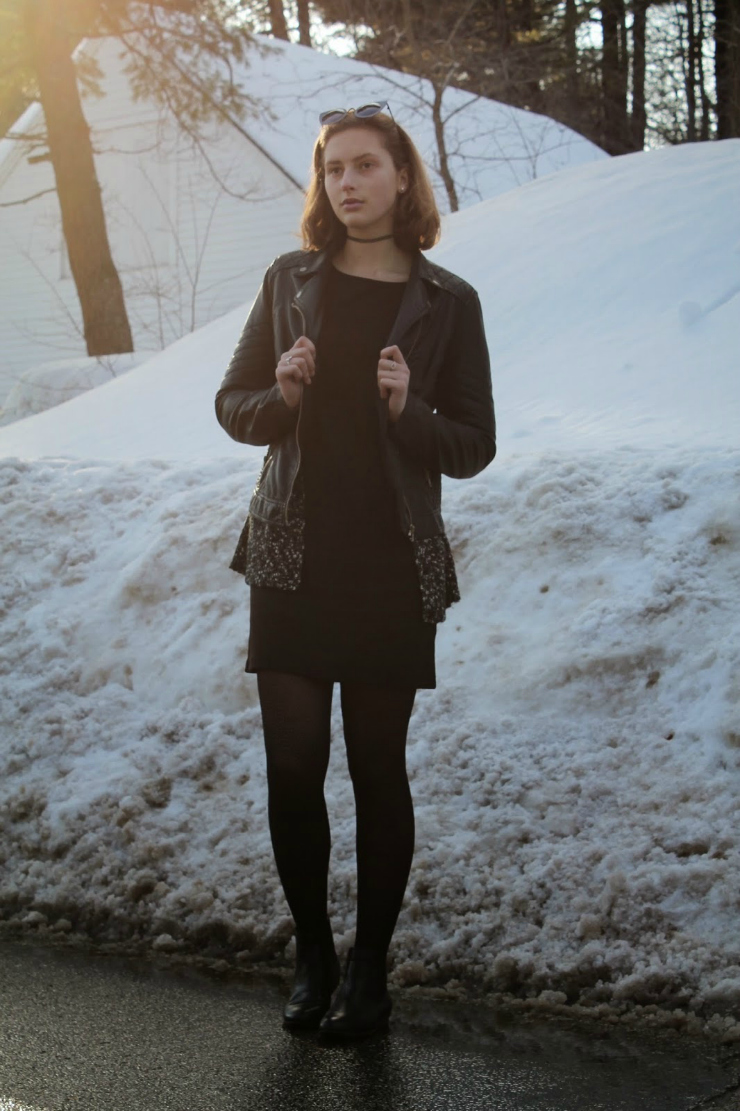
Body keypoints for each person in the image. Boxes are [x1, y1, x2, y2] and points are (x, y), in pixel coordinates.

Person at [215, 102, 495, 1040]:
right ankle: (314, 953)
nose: (347, 182)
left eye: (366, 165)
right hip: (291, 554)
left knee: (379, 768)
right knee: (293, 766)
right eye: (333, 168)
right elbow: (235, 404)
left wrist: (409, 410)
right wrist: (283, 395)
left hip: (387, 560)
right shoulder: (289, 281)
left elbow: (473, 445)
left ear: (402, 177)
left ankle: (370, 970)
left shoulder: (447, 301)